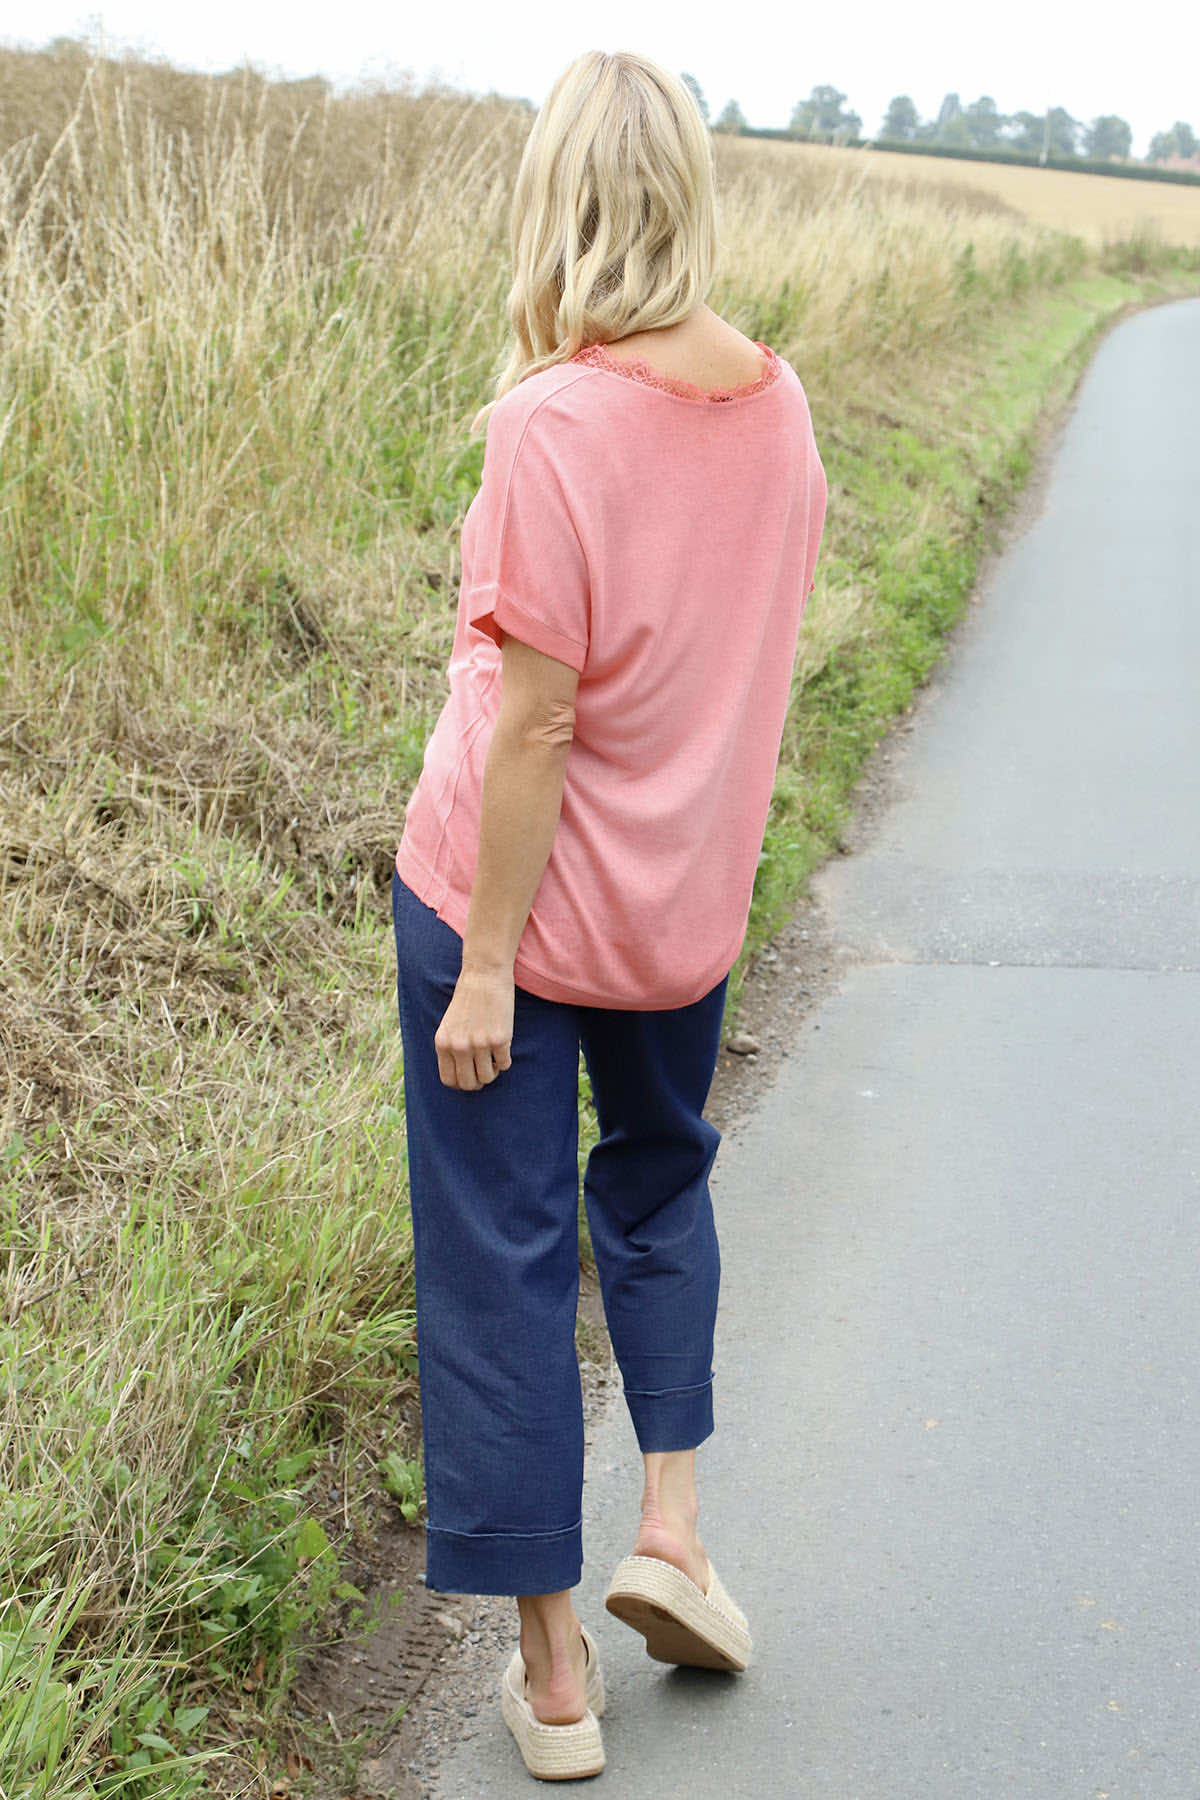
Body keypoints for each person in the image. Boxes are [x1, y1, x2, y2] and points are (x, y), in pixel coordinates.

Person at [391, 45, 826, 1781]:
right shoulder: (776, 398)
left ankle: (557, 1676)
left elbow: (539, 721)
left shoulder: (551, 422)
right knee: (654, 1187)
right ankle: (672, 1532)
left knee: (497, 1259)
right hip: (681, 920)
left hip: (508, 909)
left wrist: (488, 960)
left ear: (556, 198)